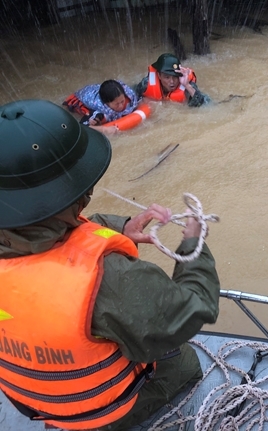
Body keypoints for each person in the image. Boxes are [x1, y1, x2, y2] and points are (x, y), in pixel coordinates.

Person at [0, 99, 220, 431]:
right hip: (98, 413)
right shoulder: (113, 279)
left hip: (34, 401)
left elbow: (46, 235)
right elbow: (195, 308)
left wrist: (119, 228)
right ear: (78, 193)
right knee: (183, 361)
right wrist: (194, 243)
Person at [63, 79, 141, 135]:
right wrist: (104, 129)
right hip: (80, 99)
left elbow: (139, 98)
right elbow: (82, 126)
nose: (121, 105)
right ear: (107, 103)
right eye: (116, 104)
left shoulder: (128, 94)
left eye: (122, 101)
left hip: (97, 89)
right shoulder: (100, 110)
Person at [134, 53, 210, 107]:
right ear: (159, 76)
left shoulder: (186, 85)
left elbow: (204, 105)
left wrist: (187, 85)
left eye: (175, 77)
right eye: (167, 77)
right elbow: (132, 96)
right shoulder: (146, 84)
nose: (172, 81)